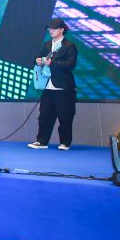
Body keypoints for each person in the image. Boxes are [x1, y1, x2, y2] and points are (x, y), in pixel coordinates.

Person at [28, 18, 77, 150]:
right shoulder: (47, 44)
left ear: (62, 30)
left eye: (54, 28)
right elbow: (37, 58)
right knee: (44, 115)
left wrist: (52, 63)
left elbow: (70, 65)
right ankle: (42, 141)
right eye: (50, 28)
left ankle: (65, 143)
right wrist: (38, 61)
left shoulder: (69, 46)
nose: (51, 31)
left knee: (65, 116)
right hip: (48, 85)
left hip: (63, 86)